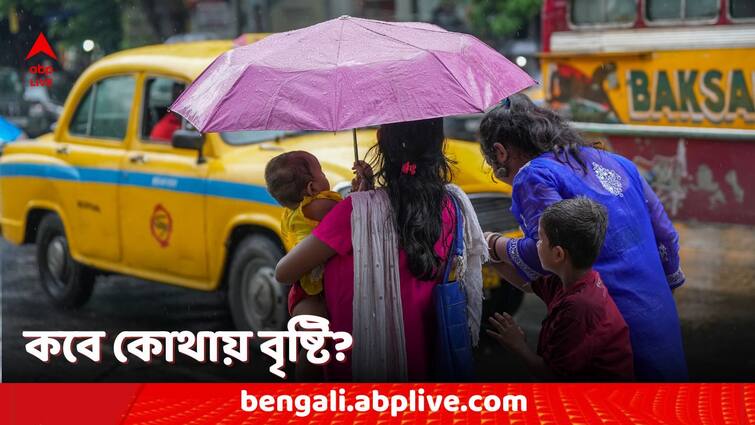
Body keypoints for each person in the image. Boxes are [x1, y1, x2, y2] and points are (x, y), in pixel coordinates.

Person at [479, 94, 688, 381]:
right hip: (659, 316)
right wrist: (662, 290)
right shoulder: (617, 162)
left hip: (602, 322)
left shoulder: (534, 175)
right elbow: (666, 235)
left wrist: (492, 243)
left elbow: (547, 251)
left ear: (500, 152)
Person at [275, 118, 487, 381]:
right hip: (433, 352)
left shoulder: (355, 211)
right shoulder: (452, 204)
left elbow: (284, 272)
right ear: (437, 143)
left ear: (381, 141)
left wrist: (359, 202)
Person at [487, 197, 634, 381]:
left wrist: (518, 346)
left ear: (558, 254)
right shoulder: (574, 278)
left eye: (540, 239)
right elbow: (527, 283)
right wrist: (488, 253)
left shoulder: (580, 308)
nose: (536, 244)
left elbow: (553, 378)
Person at [264, 150, 343, 379]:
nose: (326, 178)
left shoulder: (291, 213)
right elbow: (351, 211)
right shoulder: (317, 206)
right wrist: (363, 189)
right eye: (322, 173)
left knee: (312, 346)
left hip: (303, 292)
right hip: (312, 294)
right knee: (316, 347)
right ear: (311, 188)